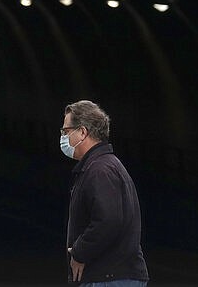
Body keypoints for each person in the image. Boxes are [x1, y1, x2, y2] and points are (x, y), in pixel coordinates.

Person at [60, 100, 149, 286]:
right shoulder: (104, 165)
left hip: (109, 278)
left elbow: (108, 220)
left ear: (83, 132)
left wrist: (79, 252)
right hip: (111, 276)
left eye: (66, 131)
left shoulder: (100, 170)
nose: (63, 137)